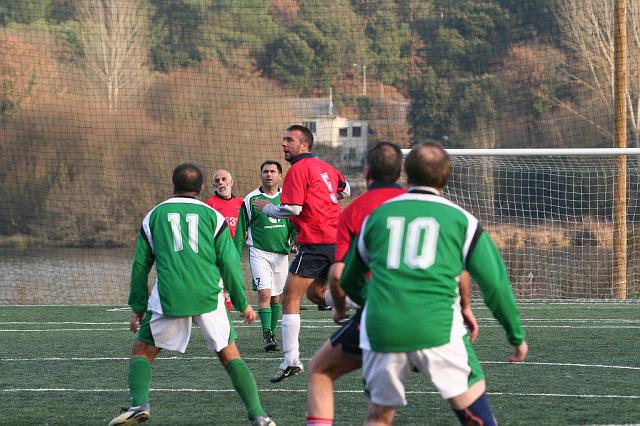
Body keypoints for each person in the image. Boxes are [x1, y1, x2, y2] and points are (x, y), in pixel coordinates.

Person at [340, 143, 528, 426]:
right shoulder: (462, 220)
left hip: (382, 329)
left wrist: (376, 302)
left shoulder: (377, 217)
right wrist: (515, 336)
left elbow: (349, 280)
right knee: (476, 415)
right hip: (438, 329)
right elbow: (496, 286)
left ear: (406, 173)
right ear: (446, 177)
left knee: (378, 416)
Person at [305, 142, 479, 426]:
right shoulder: (427, 207)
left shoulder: (355, 210)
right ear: (401, 172)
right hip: (435, 316)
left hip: (381, 314)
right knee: (468, 399)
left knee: (322, 372)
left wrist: (338, 307)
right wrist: (466, 306)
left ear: (366, 171)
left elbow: (337, 275)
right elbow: (459, 268)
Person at [109, 163, 275, 426]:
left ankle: (139, 404)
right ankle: (259, 416)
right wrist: (242, 303)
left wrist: (138, 307)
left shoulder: (154, 215)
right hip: (209, 295)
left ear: (173, 185)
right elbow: (230, 263)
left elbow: (140, 265)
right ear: (201, 188)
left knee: (142, 351)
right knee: (230, 356)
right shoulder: (213, 216)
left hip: (169, 296)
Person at [253, 124, 350, 383]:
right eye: (284, 139)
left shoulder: (298, 169)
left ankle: (291, 360)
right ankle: (360, 304)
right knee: (316, 294)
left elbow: (293, 208)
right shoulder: (325, 167)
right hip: (337, 239)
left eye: (289, 140)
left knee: (289, 297)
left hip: (316, 241)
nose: (283, 144)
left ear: (303, 144)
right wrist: (323, 198)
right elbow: (345, 189)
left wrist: (267, 208)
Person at [234, 160, 296, 352]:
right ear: (261, 175)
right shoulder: (251, 199)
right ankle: (267, 335)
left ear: (280, 175)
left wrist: (296, 241)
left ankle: (272, 332)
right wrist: (234, 256)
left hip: (281, 255)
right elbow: (241, 229)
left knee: (276, 297)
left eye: (272, 171)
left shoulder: (287, 198)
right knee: (264, 293)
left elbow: (295, 224)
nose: (269, 174)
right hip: (259, 253)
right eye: (265, 171)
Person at [205, 169, 243, 312]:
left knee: (229, 287)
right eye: (217, 181)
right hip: (216, 252)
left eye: (223, 179)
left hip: (235, 252)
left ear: (231, 182)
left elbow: (247, 226)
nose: (220, 182)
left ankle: (226, 315)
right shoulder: (209, 204)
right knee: (218, 286)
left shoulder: (240, 203)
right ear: (214, 185)